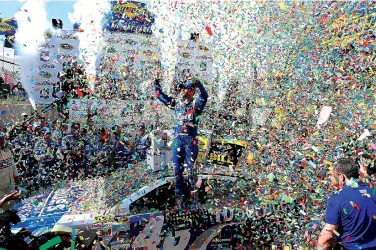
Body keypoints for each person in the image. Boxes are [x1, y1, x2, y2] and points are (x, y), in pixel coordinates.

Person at [154, 71, 208, 207]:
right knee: (177, 172)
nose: (183, 90)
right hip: (178, 140)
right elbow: (161, 97)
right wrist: (156, 84)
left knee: (191, 173)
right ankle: (180, 202)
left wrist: (199, 84)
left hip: (190, 141)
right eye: (182, 88)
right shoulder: (176, 104)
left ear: (192, 91)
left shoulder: (196, 105)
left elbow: (205, 96)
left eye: (186, 88)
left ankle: (194, 203)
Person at [317, 158, 376, 250]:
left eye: (332, 175)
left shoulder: (337, 199)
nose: (329, 178)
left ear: (342, 177)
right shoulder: (373, 192)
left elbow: (327, 236)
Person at [0, 133, 18, 198]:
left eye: (2, 139)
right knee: (2, 203)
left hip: (10, 182)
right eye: (0, 139)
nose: (1, 141)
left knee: (12, 200)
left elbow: (13, 164)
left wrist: (16, 175)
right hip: (1, 185)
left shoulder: (7, 151)